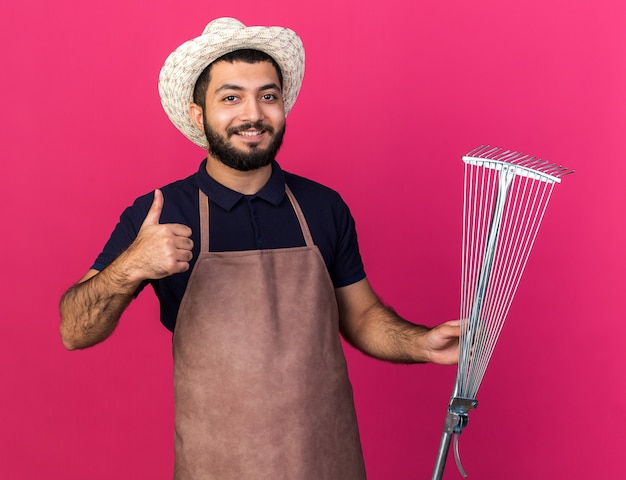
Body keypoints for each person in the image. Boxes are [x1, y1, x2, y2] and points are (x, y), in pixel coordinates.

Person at [59, 17, 460, 479]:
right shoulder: (160, 212)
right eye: (231, 97)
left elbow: (362, 316)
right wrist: (131, 265)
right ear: (198, 115)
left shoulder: (322, 207)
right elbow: (74, 330)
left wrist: (422, 344)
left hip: (327, 460)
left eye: (267, 96)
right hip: (217, 464)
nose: (253, 114)